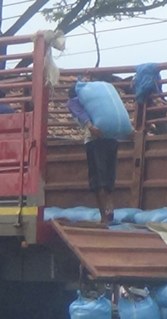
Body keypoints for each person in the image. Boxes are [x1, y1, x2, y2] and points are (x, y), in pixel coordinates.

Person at [67, 79, 119, 224]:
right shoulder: (100, 99)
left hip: (94, 141)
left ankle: (104, 216)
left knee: (98, 180)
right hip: (111, 138)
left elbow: (82, 117)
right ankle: (110, 208)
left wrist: (90, 126)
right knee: (109, 176)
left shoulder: (74, 102)